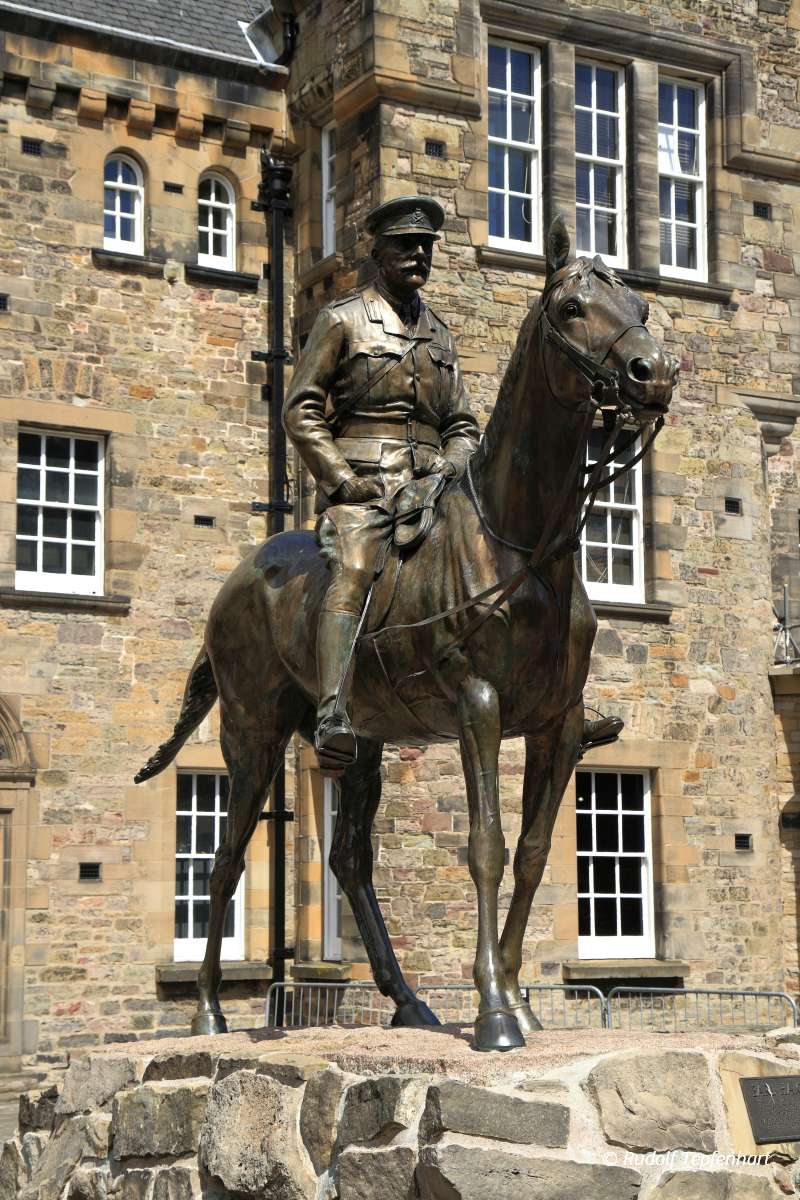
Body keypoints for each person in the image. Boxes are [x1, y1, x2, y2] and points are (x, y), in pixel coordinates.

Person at [282, 195, 479, 772]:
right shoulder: (342, 320)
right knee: (354, 568)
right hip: (367, 486)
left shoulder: (440, 335)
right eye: (405, 245)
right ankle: (333, 708)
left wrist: (448, 465)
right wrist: (342, 482)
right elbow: (301, 410)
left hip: (433, 488)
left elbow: (462, 424)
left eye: (426, 246)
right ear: (378, 250)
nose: (419, 254)